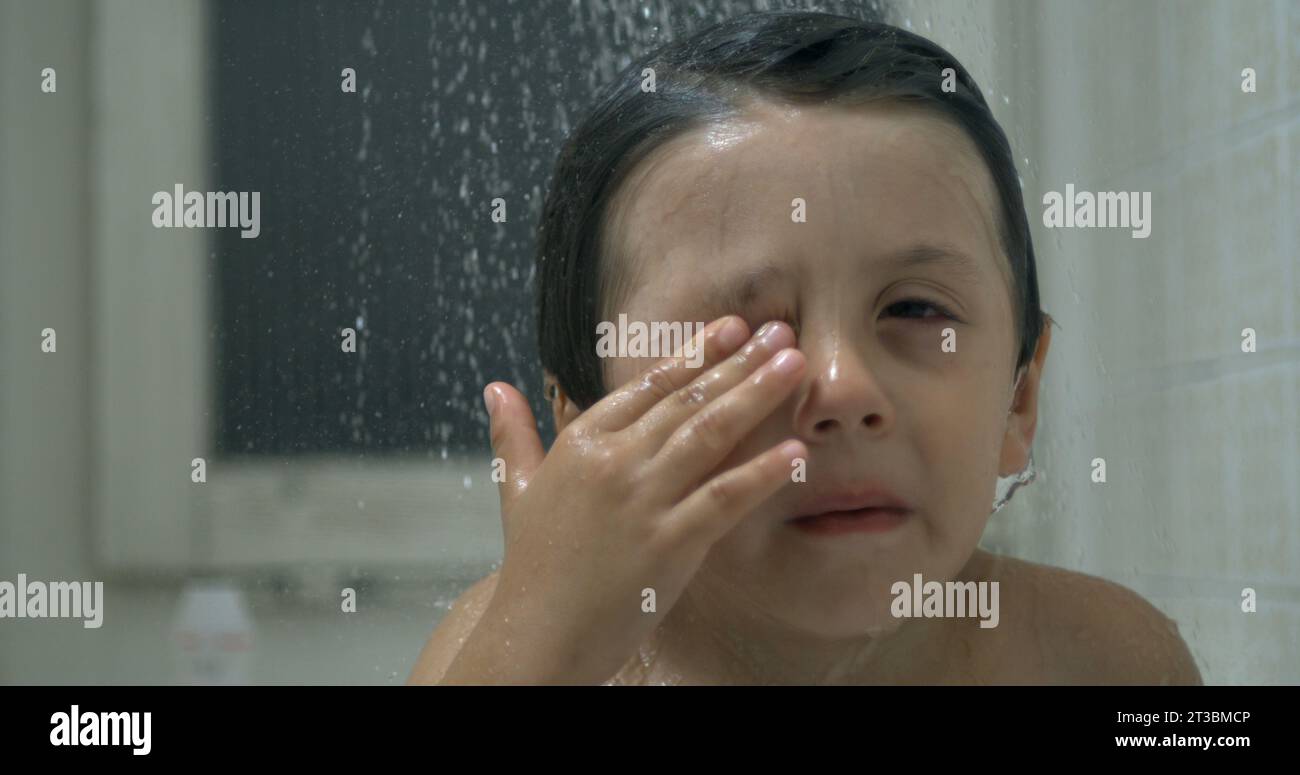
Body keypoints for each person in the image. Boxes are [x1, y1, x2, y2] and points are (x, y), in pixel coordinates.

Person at [409, 10, 1202, 685]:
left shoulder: (1097, 658)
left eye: (917, 309)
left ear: (1019, 397)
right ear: (587, 431)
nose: (844, 387)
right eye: (747, 339)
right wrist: (535, 654)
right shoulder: (514, 650)